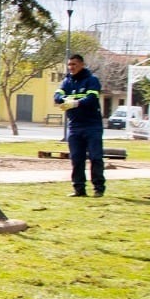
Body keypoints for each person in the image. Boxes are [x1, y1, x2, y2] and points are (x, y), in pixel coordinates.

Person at [55, 53, 105, 198]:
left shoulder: (92, 80)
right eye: (69, 64)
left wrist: (76, 103)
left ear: (82, 65)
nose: (71, 67)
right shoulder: (67, 82)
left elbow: (92, 98)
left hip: (92, 125)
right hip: (74, 126)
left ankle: (98, 188)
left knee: (95, 157)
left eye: (74, 64)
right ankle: (79, 189)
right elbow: (57, 96)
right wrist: (64, 99)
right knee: (76, 158)